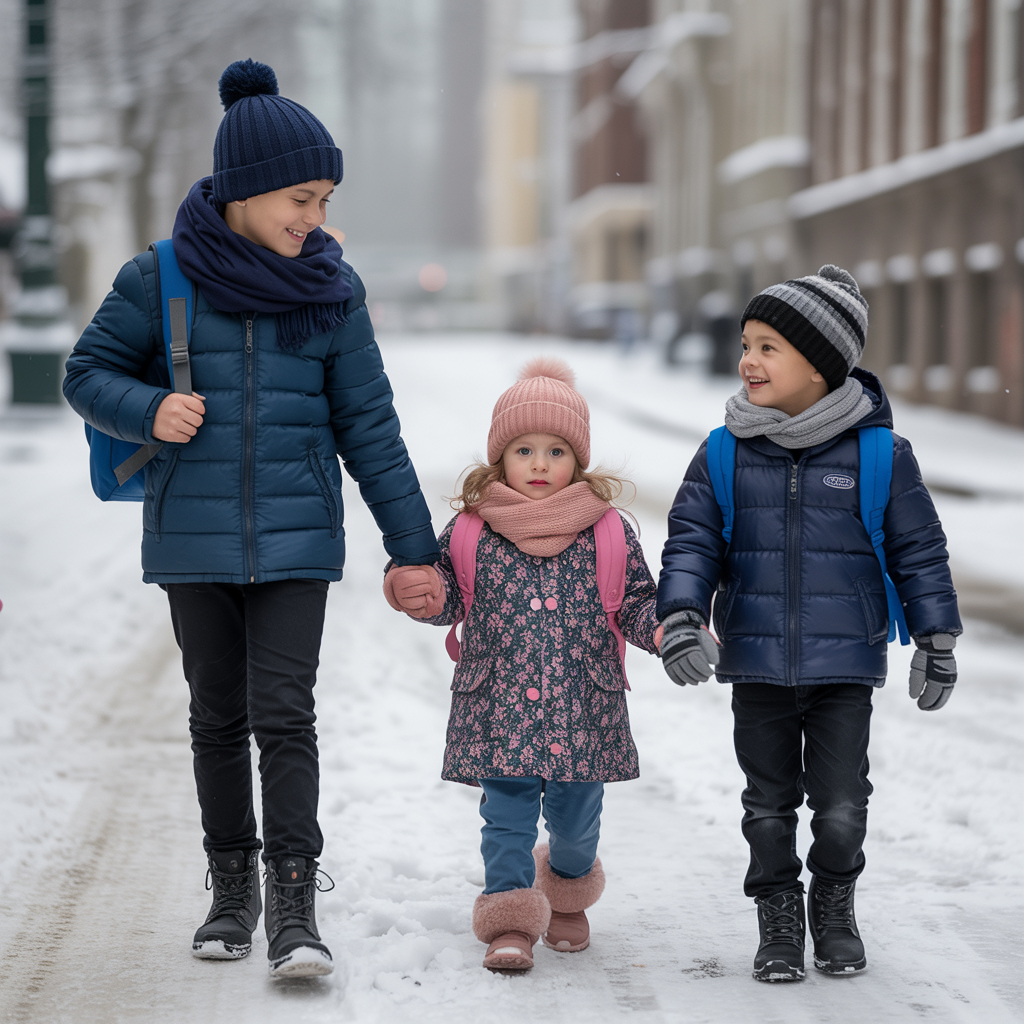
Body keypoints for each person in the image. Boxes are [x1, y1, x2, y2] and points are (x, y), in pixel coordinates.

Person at [63, 59, 439, 979]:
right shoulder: (157, 278)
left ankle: (295, 902)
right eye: (301, 198)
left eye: (324, 200)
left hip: (298, 538)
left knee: (285, 713)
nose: (315, 217)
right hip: (191, 536)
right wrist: (148, 409)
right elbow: (85, 373)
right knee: (216, 715)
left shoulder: (332, 290)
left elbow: (371, 428)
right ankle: (233, 889)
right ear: (244, 189)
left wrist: (415, 549)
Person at [656, 265, 961, 983]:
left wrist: (936, 639)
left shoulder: (880, 455)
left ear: (821, 364)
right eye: (746, 345)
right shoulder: (725, 450)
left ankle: (833, 901)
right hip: (756, 662)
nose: (748, 361)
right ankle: (778, 914)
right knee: (767, 805)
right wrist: (681, 615)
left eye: (768, 347)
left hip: (845, 665)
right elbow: (692, 542)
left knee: (842, 806)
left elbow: (919, 551)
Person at [383, 359, 660, 971]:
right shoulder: (472, 530)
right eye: (524, 450)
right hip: (498, 706)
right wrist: (418, 591)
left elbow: (637, 600)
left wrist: (664, 628)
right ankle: (509, 920)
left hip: (582, 709)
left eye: (556, 451)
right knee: (504, 819)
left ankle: (567, 891)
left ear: (577, 461)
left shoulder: (608, 531)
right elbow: (447, 596)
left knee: (576, 824)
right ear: (500, 458)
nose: (540, 464)